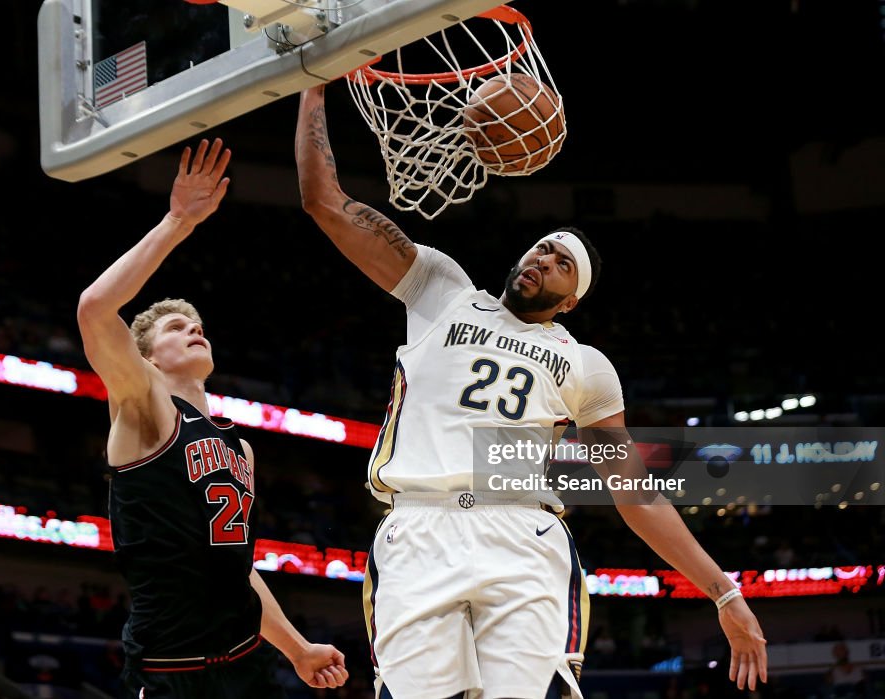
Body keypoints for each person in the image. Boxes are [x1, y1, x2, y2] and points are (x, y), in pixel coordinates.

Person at [295, 84, 768, 699]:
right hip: (416, 529)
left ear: (571, 300)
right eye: (543, 247)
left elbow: (635, 494)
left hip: (522, 538)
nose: (543, 260)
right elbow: (324, 203)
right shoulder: (441, 290)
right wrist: (314, 84)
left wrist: (724, 593)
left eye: (562, 263)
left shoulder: (585, 363)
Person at [77, 137, 348, 698]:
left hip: (245, 661)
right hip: (174, 665)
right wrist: (178, 221)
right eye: (175, 328)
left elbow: (238, 567)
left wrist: (297, 649)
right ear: (146, 356)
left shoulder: (239, 449)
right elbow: (95, 310)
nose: (193, 328)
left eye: (196, 323)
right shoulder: (143, 404)